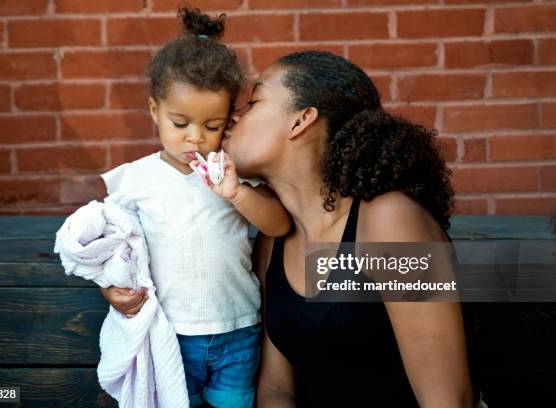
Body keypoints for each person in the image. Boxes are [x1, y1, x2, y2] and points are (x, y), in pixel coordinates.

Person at [222, 50, 479, 407]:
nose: (232, 117)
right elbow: (276, 388)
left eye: (253, 101)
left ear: (301, 120)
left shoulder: (390, 224)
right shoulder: (274, 238)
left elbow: (449, 400)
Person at [99, 7, 290, 408]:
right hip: (169, 333)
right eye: (180, 123)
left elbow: (278, 225)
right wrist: (109, 288)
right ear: (155, 112)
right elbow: (114, 246)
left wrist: (237, 194)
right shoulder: (135, 179)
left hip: (239, 329)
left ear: (227, 121)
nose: (195, 139)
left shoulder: (231, 173)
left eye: (212, 125)